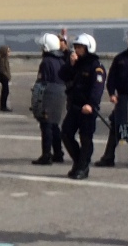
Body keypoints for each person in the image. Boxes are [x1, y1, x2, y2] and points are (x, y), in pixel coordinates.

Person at [95, 27, 128, 168]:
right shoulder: (121, 58)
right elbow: (111, 78)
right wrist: (112, 93)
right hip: (124, 97)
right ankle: (109, 157)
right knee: (118, 126)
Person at [60, 33, 106, 180]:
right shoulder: (76, 64)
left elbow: (97, 87)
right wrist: (71, 64)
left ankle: (82, 167)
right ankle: (80, 161)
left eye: (80, 47)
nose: (77, 50)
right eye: (76, 47)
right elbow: (63, 76)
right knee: (66, 133)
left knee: (86, 138)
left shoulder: (96, 66)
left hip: (87, 108)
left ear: (88, 48)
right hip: (74, 106)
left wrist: (91, 104)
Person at [31, 33, 67, 165]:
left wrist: (37, 102)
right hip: (60, 93)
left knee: (46, 125)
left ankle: (46, 155)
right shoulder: (61, 60)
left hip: (49, 94)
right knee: (55, 125)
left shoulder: (46, 62)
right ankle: (58, 153)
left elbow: (42, 82)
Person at [0, 45, 12, 112]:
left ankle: (3, 106)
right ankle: (3, 106)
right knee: (5, 92)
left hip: (5, 78)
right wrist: (7, 76)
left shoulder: (5, 59)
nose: (9, 52)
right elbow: (3, 70)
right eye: (8, 51)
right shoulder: (3, 60)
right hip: (4, 78)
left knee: (5, 92)